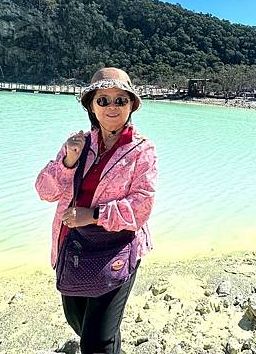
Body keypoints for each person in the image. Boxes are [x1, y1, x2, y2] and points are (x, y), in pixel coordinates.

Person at [35, 67, 157, 354]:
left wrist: (94, 215)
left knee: (96, 341)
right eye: (103, 100)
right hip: (74, 247)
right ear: (91, 105)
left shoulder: (142, 150)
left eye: (120, 100)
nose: (112, 107)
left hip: (117, 249)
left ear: (131, 105)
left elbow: (141, 206)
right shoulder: (78, 143)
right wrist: (68, 161)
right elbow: (44, 192)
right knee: (78, 322)